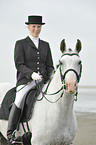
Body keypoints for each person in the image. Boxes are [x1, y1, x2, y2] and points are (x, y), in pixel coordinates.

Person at [7, 15, 54, 144]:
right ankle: (11, 134)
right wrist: (31, 74)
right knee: (19, 98)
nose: (36, 29)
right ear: (28, 27)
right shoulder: (21, 44)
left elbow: (50, 66)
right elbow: (19, 65)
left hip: (42, 81)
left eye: (38, 27)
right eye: (33, 26)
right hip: (26, 81)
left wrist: (48, 77)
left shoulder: (46, 45)